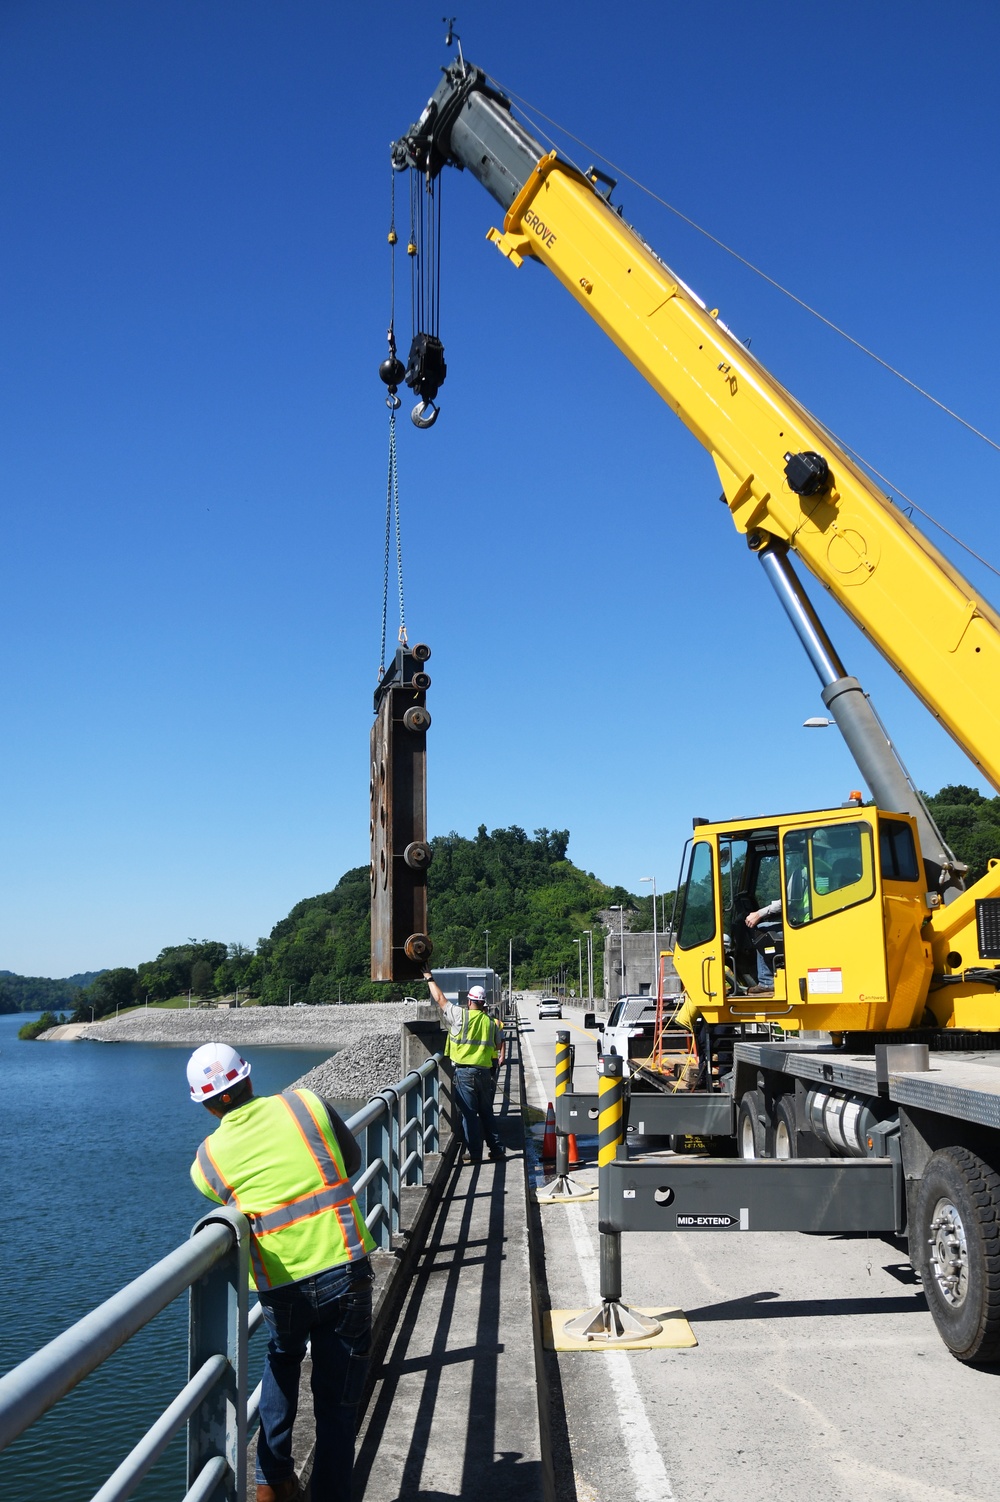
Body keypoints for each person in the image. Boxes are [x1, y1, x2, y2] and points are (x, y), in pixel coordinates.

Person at [187, 1042, 375, 1502]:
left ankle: (270, 1482)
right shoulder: (306, 1103)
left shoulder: (206, 1161)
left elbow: (236, 1204)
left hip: (281, 1287)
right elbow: (349, 1162)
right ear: (249, 1079)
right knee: (337, 1404)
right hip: (344, 1265)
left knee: (283, 1357)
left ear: (208, 1104)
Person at [422, 970, 505, 1163]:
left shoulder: (460, 1016)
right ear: (483, 1003)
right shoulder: (491, 1023)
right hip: (485, 1072)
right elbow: (498, 1045)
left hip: (464, 1073)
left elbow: (440, 998)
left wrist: (429, 978)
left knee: (469, 1115)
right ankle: (497, 1149)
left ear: (469, 1001)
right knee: (486, 1112)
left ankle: (475, 1153)